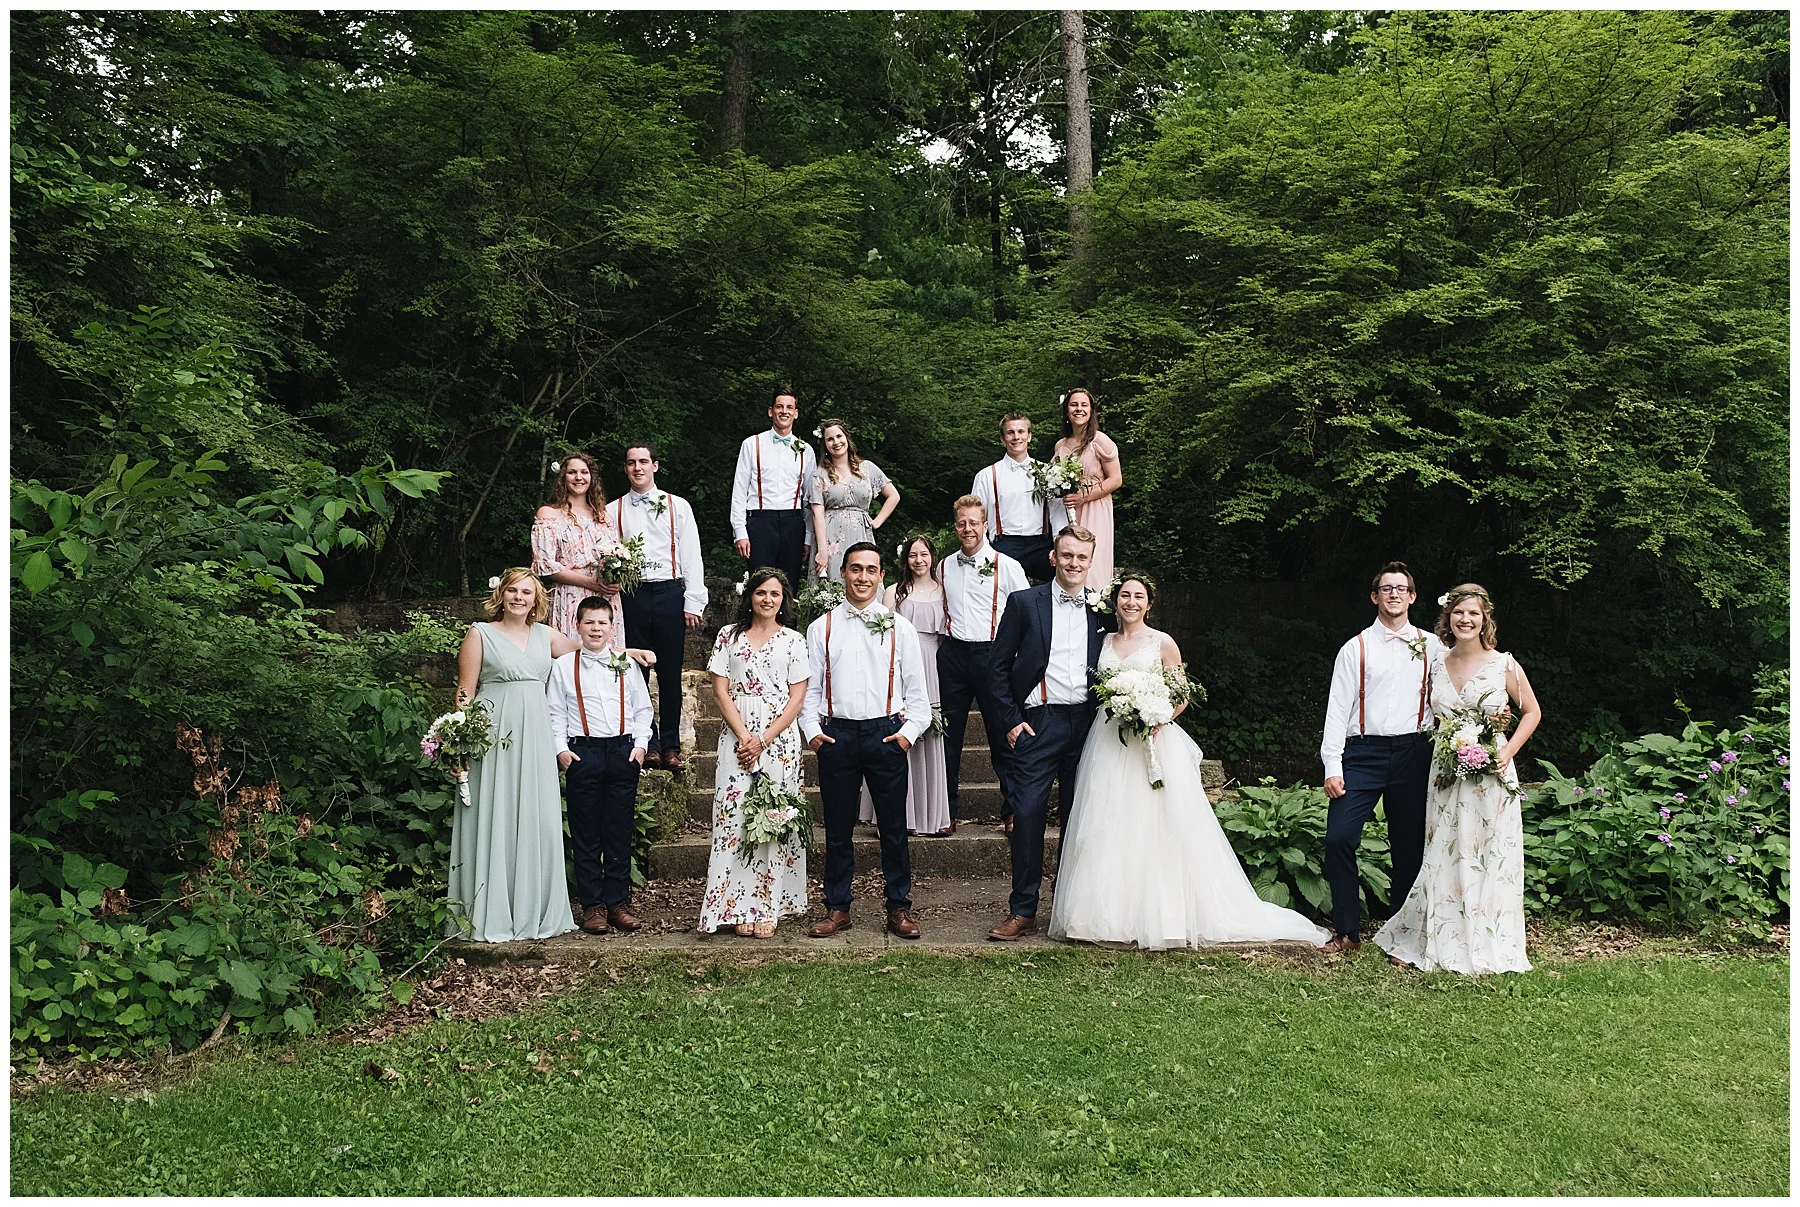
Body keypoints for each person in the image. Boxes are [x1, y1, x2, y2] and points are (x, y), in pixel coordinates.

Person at [1049, 572, 1329, 949]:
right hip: (1109, 740)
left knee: (1156, 823)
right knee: (1107, 819)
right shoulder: (1103, 641)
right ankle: (1102, 918)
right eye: (1125, 595)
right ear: (1116, 602)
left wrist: (1156, 717)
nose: (1131, 602)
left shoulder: (1162, 642)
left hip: (1152, 739)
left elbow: (1181, 694)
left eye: (1139, 596)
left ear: (1149, 605)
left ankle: (1163, 915)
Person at [1376, 584, 1540, 974]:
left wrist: (1506, 752)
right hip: (1446, 773)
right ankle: (1440, 935)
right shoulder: (1437, 662)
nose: (1465, 620)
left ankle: (1485, 938)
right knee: (1444, 852)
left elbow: (1532, 712)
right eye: (1458, 613)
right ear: (1448, 617)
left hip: (1491, 774)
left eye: (1473, 614)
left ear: (1485, 620)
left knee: (1487, 853)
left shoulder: (1503, 665)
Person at [985, 525, 1112, 941]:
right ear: (1053, 557)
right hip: (1038, 723)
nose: (1074, 563)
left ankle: (1070, 906)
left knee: (1081, 819)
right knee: (1026, 815)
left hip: (1088, 725)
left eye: (1082, 557)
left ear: (1090, 562)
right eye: (1067, 555)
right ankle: (1023, 909)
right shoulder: (1025, 603)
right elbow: (996, 668)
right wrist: (1010, 720)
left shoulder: (1103, 609)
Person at [802, 543, 932, 940]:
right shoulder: (821, 628)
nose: (863, 577)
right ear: (843, 573)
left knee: (893, 828)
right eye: (855, 569)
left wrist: (905, 737)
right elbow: (810, 691)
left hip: (885, 735)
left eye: (871, 570)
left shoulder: (900, 628)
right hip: (836, 736)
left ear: (881, 576)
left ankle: (898, 907)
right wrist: (813, 733)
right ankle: (837, 907)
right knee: (838, 827)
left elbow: (919, 698)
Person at [447, 568, 581, 942]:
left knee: (535, 813)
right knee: (496, 810)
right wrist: (459, 743)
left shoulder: (546, 635)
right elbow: (464, 693)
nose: (519, 598)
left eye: (526, 592)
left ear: (536, 599)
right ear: (501, 595)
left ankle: (533, 909)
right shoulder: (480, 633)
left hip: (535, 734)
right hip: (492, 734)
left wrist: (629, 653)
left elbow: (591, 652)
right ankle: (488, 911)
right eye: (513, 591)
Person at [1318, 561, 1443, 953]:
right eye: (1386, 588)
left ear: (1412, 597)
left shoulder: (1432, 647)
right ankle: (1347, 932)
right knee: (1339, 837)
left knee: (1408, 846)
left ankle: (1400, 933)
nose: (1394, 594)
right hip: (1363, 752)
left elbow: (1452, 695)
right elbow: (1337, 710)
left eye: (1401, 588)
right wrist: (1332, 765)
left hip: (1414, 752)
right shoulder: (1354, 648)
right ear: (1375, 597)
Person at [698, 568, 811, 938]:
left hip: (778, 739)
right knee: (734, 821)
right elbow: (720, 690)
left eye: (775, 594)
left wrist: (763, 739)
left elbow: (797, 698)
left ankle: (767, 905)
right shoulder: (727, 636)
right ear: (750, 596)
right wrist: (745, 736)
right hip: (737, 735)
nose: (767, 599)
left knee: (772, 819)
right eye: (761, 592)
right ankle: (733, 906)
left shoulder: (794, 640)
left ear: (783, 600)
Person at [546, 596, 653, 934]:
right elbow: (555, 712)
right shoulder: (564, 666)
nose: (595, 628)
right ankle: (593, 906)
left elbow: (642, 708)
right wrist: (561, 751)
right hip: (583, 754)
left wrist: (640, 745)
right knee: (586, 832)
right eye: (589, 622)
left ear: (612, 627)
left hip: (622, 752)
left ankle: (618, 903)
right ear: (577, 626)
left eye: (602, 623)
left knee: (619, 830)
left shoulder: (626, 663)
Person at [609, 442, 706, 772]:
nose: (637, 468)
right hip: (630, 594)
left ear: (655, 465)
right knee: (634, 671)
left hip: (669, 592)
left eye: (643, 461)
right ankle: (647, 743)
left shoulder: (678, 506)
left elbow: (691, 554)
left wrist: (694, 601)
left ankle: (671, 746)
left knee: (669, 673)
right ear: (625, 468)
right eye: (631, 463)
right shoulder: (612, 510)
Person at [938, 495, 1029, 828]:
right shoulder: (943, 566)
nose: (968, 529)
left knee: (1002, 733)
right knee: (947, 738)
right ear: (955, 527)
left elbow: (1026, 613)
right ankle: (944, 811)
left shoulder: (1008, 566)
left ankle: (1013, 809)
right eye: (962, 523)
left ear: (986, 525)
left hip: (993, 654)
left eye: (974, 523)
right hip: (953, 654)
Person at [858, 535, 951, 835]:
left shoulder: (944, 590)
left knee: (927, 734)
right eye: (913, 555)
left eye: (924, 554)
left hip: (931, 665)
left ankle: (927, 816)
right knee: (896, 731)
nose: (919, 560)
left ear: (932, 557)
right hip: (898, 667)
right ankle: (890, 815)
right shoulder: (893, 592)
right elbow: (881, 636)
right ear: (905, 559)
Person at [531, 451, 625, 648]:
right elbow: (545, 565)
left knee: (608, 656)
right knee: (572, 654)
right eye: (572, 472)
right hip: (571, 596)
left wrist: (617, 582)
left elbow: (617, 557)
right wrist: (590, 583)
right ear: (563, 477)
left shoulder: (603, 516)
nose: (578, 477)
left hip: (606, 597)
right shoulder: (549, 514)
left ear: (592, 477)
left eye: (584, 472)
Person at [730, 387, 817, 594]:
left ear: (796, 413)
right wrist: (740, 532)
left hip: (793, 523)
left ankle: (787, 617)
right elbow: (739, 491)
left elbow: (809, 499)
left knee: (789, 586)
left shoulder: (806, 450)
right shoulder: (752, 444)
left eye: (789, 407)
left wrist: (807, 537)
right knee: (759, 584)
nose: (784, 411)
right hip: (760, 521)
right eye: (779, 406)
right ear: (771, 411)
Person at [971, 412, 1073, 585]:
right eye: (1010, 432)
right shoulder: (987, 475)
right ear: (1002, 439)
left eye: (1021, 431)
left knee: (1062, 579)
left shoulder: (1048, 472)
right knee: (996, 588)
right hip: (1005, 545)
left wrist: (1059, 547)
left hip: (1041, 545)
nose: (1016, 437)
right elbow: (976, 518)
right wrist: (983, 551)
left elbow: (1057, 514)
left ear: (1029, 436)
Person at [810, 418, 899, 583]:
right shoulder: (819, 475)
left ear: (847, 438)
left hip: (861, 534)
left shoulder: (867, 468)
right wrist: (822, 550)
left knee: (863, 578)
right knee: (833, 584)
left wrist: (877, 521)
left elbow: (893, 495)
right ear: (825, 445)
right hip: (830, 538)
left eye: (839, 436)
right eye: (830, 439)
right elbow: (817, 513)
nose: (836, 442)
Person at [1052, 388, 1122, 592]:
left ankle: (1095, 602)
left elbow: (1116, 479)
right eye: (1074, 405)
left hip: (1095, 507)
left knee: (1092, 561)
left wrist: (1084, 497)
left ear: (1091, 411)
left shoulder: (1100, 441)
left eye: (1084, 405)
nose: (1079, 409)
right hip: (1069, 511)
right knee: (1070, 558)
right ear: (1067, 411)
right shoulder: (1061, 445)